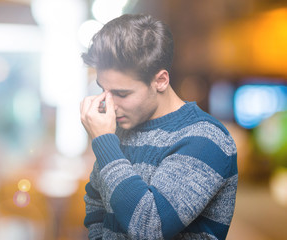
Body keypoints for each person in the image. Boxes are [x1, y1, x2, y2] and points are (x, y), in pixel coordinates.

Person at [79, 14, 238, 239]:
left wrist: (104, 142)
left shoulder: (205, 139)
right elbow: (96, 206)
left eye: (122, 93)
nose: (109, 106)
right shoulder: (122, 128)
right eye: (103, 89)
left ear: (161, 80)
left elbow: (149, 227)